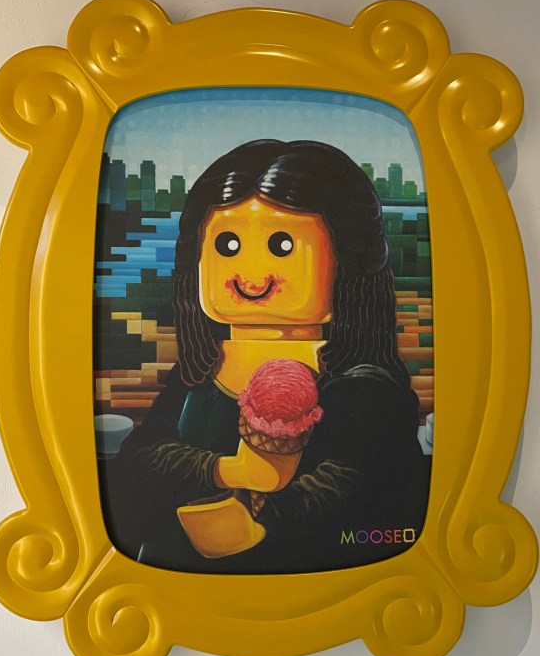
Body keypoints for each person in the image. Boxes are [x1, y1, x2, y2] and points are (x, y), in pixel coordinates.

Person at [99, 139, 430, 574]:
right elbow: (140, 461)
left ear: (346, 259)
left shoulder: (360, 384)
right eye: (228, 245)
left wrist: (264, 514)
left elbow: (367, 489)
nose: (251, 274)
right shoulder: (203, 367)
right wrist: (224, 470)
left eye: (282, 245)